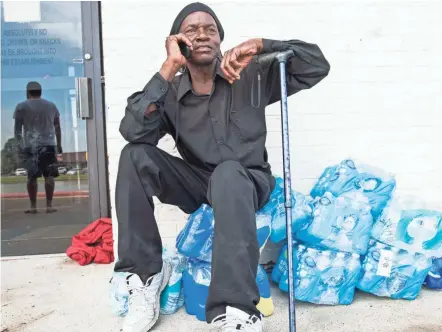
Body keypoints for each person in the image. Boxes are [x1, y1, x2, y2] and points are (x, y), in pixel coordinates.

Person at [115, 2, 330, 332]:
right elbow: (134, 131)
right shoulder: (170, 91)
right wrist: (168, 68)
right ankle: (146, 277)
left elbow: (317, 65)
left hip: (248, 180)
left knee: (229, 171)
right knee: (134, 156)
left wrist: (261, 45)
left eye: (210, 29)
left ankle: (236, 310)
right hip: (199, 182)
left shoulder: (252, 71)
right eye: (191, 30)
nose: (202, 34)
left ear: (220, 40)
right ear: (177, 41)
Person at [14, 81, 62, 214]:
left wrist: (19, 146)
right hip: (49, 144)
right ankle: (49, 205)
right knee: (50, 176)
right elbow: (57, 127)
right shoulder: (51, 106)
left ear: (28, 92)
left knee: (31, 177)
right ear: (40, 92)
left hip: (31, 145)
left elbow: (17, 130)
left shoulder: (21, 106)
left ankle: (33, 206)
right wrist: (59, 144)